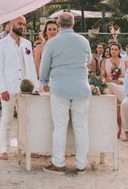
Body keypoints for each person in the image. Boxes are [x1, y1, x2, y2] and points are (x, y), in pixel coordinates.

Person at [39, 12, 91, 173]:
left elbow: (44, 67)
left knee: (60, 127)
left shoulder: (52, 43)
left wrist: (44, 81)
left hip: (60, 88)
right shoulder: (83, 41)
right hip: (81, 87)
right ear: (73, 23)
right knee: (81, 127)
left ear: (59, 24)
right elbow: (88, 60)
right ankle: (81, 164)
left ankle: (58, 163)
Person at [0, 16, 39, 161]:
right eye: (19, 24)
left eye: (24, 24)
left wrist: (35, 86)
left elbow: (30, 66)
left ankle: (27, 148)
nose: (22, 27)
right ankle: (4, 149)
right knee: (7, 119)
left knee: (27, 120)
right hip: (9, 87)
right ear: (11, 24)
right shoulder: (1, 45)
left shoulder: (26, 43)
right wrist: (2, 89)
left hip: (25, 88)